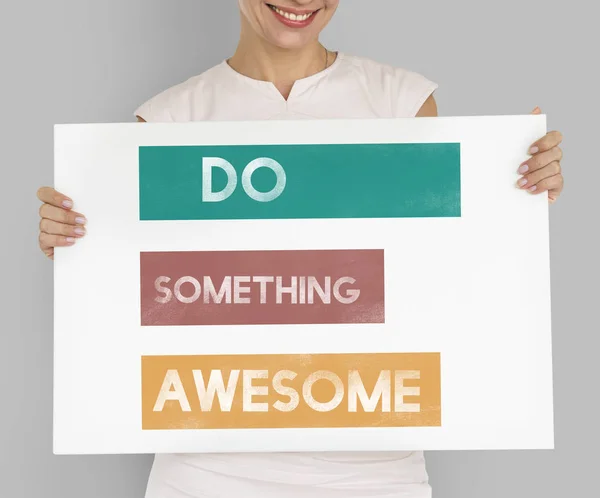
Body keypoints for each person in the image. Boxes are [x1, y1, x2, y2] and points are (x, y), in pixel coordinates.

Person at [36, 1, 565, 496]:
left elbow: (440, 271)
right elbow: (148, 297)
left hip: (376, 468)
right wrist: (79, 248)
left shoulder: (399, 101)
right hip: (207, 469)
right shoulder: (168, 119)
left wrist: (514, 195)